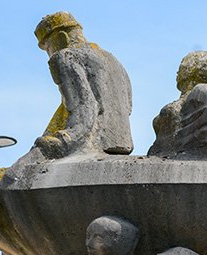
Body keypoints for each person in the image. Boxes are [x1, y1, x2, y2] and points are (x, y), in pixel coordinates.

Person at [18, 11, 133, 165]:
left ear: (61, 38)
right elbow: (128, 107)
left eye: (48, 48)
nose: (49, 54)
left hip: (87, 146)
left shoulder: (65, 57)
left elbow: (85, 107)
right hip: (123, 143)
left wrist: (63, 141)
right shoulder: (113, 61)